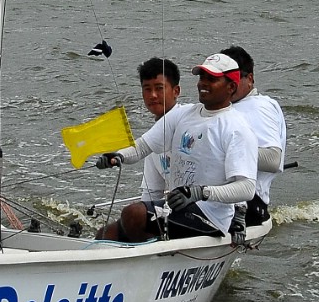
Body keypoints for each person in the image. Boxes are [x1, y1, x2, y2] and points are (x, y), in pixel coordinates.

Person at [97, 53, 257, 242]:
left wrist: (201, 192)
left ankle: (152, 254)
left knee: (133, 214)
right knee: (106, 233)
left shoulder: (237, 129)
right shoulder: (183, 114)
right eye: (202, 77)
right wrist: (117, 157)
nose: (203, 83)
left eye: (212, 79)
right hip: (177, 209)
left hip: (210, 218)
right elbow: (141, 147)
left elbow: (247, 188)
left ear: (231, 87)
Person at [221, 43, 287, 228]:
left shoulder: (259, 107)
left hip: (247, 203)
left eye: (232, 77)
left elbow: (273, 160)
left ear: (249, 78)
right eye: (221, 78)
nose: (227, 84)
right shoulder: (222, 108)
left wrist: (223, 149)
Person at [135, 57, 181, 211]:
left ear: (176, 91)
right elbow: (151, 194)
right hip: (175, 210)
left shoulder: (189, 122)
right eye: (147, 89)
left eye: (159, 88)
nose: (153, 95)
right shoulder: (151, 140)